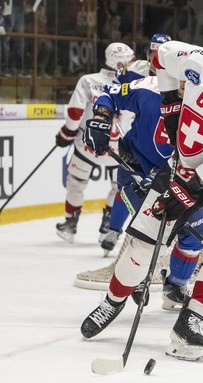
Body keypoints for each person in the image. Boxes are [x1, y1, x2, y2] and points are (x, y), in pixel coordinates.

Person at [80, 28, 203, 362]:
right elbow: (160, 58)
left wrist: (184, 190)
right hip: (182, 169)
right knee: (142, 247)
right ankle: (112, 301)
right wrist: (170, 101)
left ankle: (190, 322)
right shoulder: (195, 60)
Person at [79, 75, 203, 310]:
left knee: (196, 234)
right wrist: (101, 118)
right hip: (135, 171)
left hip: (180, 180)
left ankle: (175, 287)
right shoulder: (148, 87)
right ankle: (129, 284)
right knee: (147, 235)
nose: (183, 86)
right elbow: (109, 93)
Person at [54, 42, 135, 244]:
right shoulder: (134, 84)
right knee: (118, 187)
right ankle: (108, 224)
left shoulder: (88, 81)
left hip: (88, 144)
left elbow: (75, 112)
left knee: (77, 182)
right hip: (118, 148)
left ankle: (70, 224)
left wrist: (66, 133)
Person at [100, 33, 172, 254]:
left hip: (169, 157)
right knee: (125, 191)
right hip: (138, 145)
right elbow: (111, 89)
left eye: (161, 53)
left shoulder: (185, 85)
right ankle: (114, 229)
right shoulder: (138, 74)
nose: (155, 58)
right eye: (152, 52)